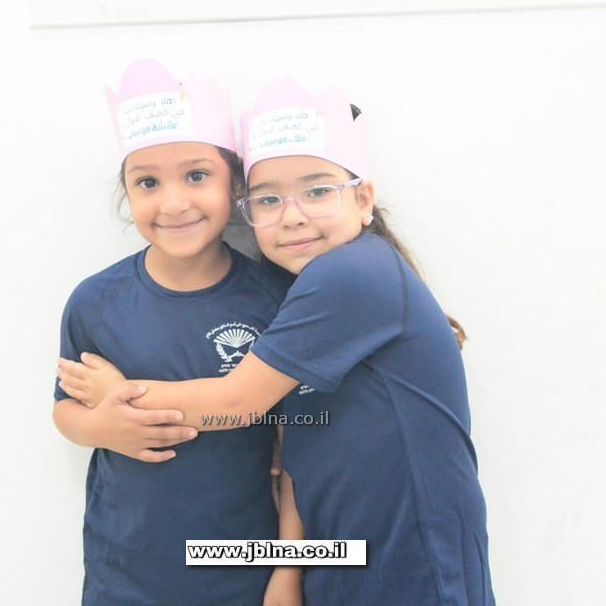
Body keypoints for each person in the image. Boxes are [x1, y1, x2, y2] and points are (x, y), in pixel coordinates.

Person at [59, 76, 496, 604]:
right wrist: (291, 566)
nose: (292, 215)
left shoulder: (348, 274)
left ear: (364, 199)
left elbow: (238, 401)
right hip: (340, 549)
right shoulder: (304, 290)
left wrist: (118, 396)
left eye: (318, 191)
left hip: (410, 553)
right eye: (269, 199)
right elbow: (294, 438)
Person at [52, 59, 294, 605]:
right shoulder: (96, 302)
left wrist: (288, 568)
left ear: (235, 184)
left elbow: (299, 444)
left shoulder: (275, 300)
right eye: (147, 182)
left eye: (196, 176)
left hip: (242, 573)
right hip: (126, 574)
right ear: (128, 193)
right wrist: (101, 427)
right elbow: (65, 410)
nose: (174, 202)